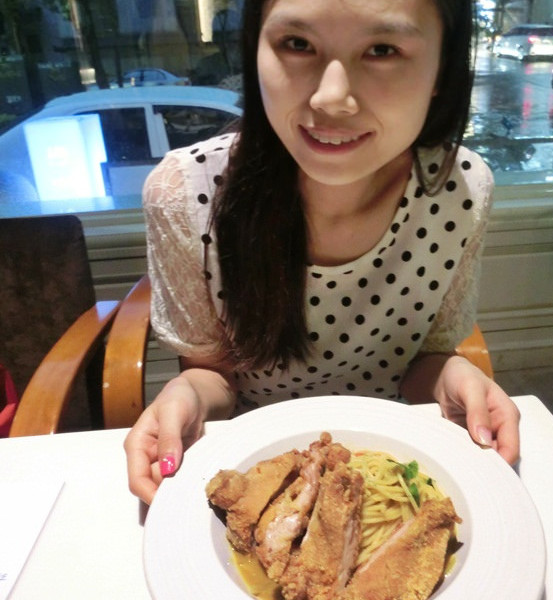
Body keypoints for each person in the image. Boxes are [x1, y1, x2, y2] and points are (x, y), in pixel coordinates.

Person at [125, 0, 521, 505]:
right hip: (257, 468)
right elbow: (213, 375)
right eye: (297, 44)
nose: (331, 98)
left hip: (391, 462)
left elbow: (426, 361)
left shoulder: (460, 190)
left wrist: (454, 374)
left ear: (442, 69)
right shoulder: (185, 193)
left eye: (383, 49)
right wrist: (186, 392)